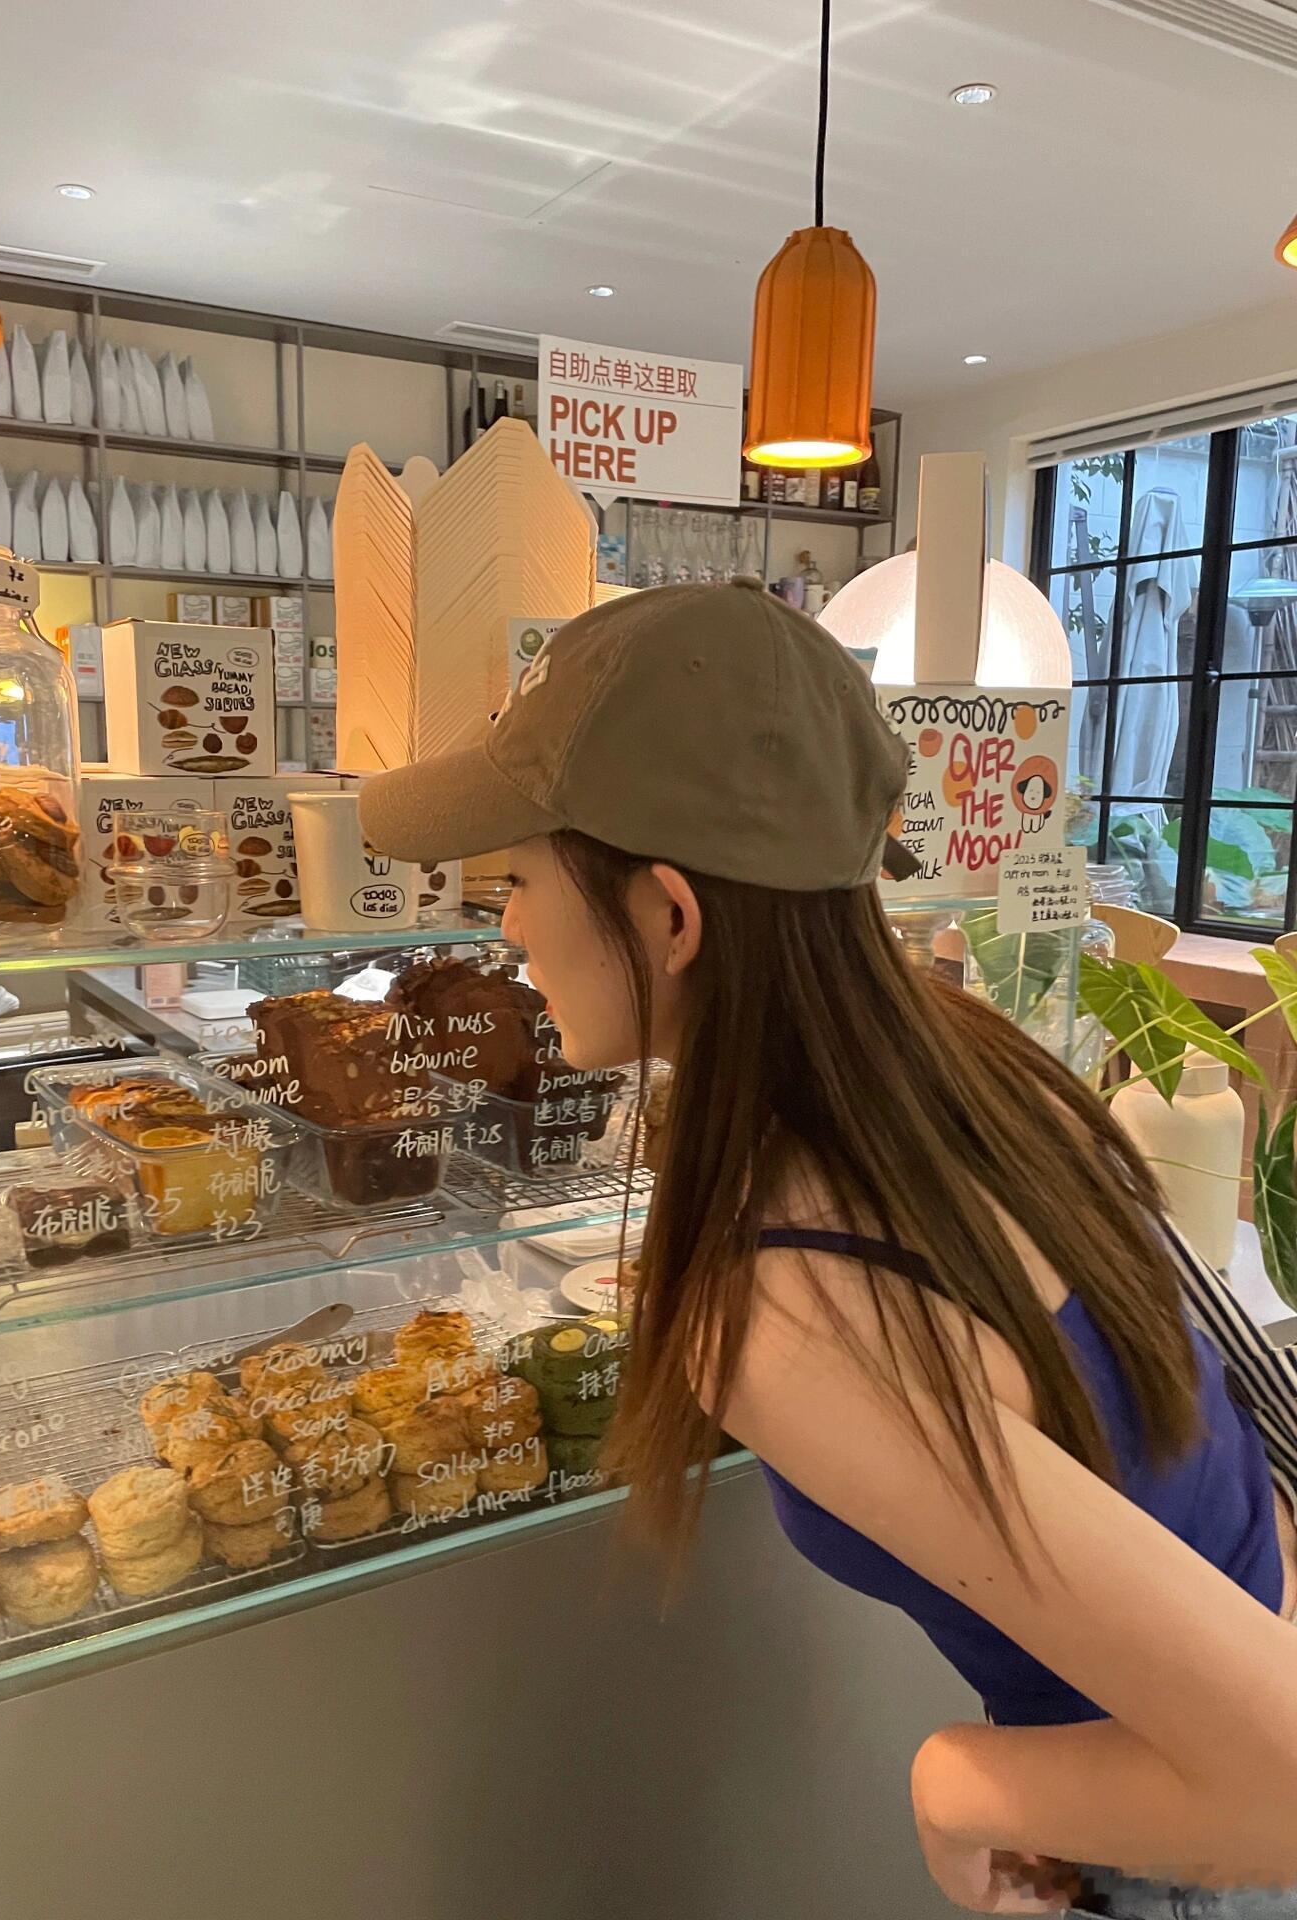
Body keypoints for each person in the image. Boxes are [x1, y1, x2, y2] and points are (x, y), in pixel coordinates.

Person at [361, 579, 1297, 1916]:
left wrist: (956, 1782)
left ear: (671, 919)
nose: (504, 928)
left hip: (1188, 1858)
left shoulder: (773, 1305)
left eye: (518, 879)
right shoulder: (973, 1063)